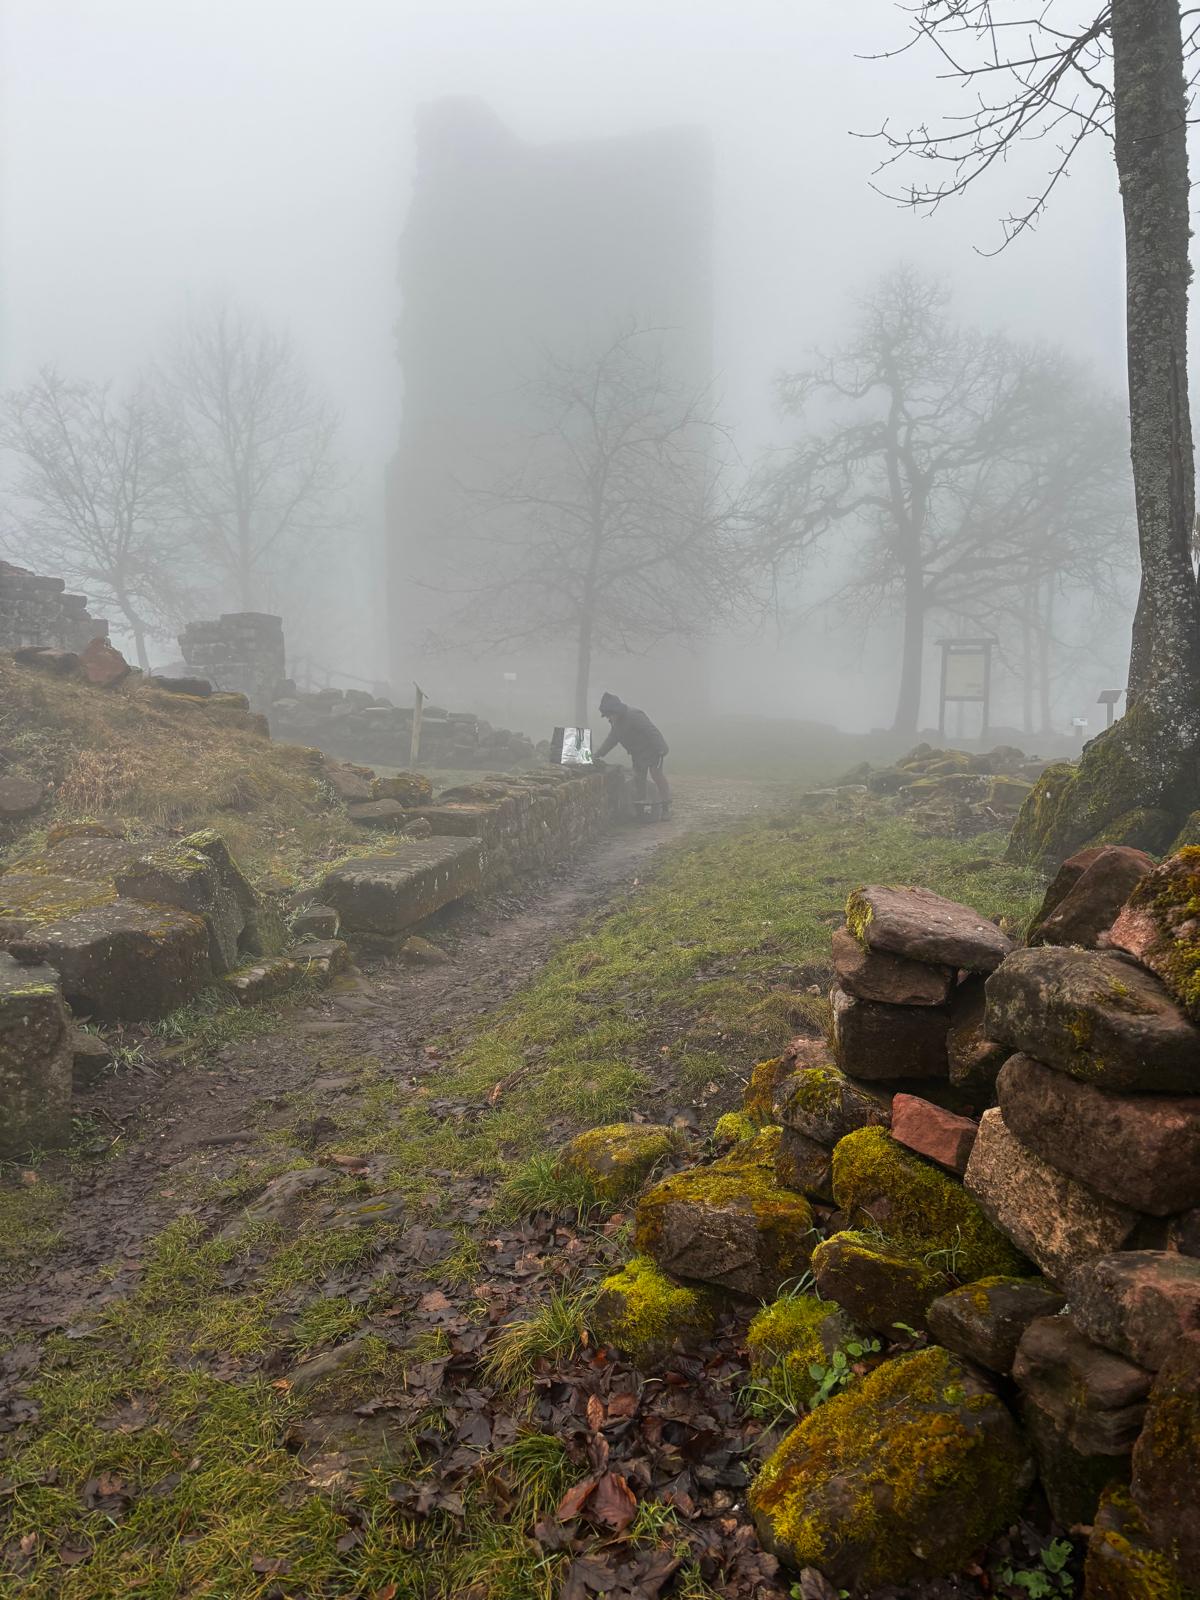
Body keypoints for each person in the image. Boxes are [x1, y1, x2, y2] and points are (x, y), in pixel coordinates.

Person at [594, 691, 671, 815]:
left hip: (653, 749)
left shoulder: (634, 715)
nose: (608, 718)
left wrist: (661, 748)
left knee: (656, 775)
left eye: (609, 715)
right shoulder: (616, 724)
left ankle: (666, 806)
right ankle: (641, 808)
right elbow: (611, 740)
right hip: (637, 754)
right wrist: (597, 754)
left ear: (615, 711)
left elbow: (651, 730)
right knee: (639, 779)